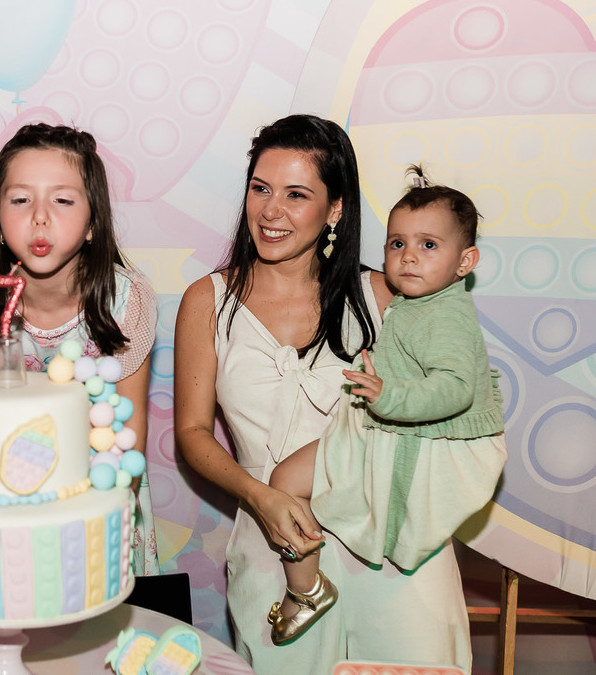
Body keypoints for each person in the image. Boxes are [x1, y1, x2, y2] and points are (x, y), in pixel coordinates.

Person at [173, 115, 472, 673]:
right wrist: (261, 497)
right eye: (260, 189)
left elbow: (446, 401)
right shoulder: (207, 300)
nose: (271, 211)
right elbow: (191, 433)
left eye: (296, 194)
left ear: (335, 209)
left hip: (393, 552)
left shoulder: (386, 296)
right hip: (278, 548)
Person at [265, 167, 507, 644]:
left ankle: (307, 590)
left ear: (466, 262)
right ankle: (307, 588)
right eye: (397, 243)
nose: (409, 256)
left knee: (292, 483)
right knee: (286, 482)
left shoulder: (446, 317)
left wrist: (388, 395)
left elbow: (456, 388)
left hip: (408, 437)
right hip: (381, 428)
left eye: (428, 245)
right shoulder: (419, 302)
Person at [0, 123, 159, 573]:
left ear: (93, 223)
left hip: (103, 509)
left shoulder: (127, 301)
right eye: (20, 200)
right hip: (11, 510)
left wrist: (90, 528)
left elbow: (127, 438)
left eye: (62, 200)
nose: (40, 217)